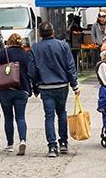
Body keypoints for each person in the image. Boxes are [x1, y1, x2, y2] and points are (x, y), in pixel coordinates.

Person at [31, 22, 80, 157]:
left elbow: (33, 70)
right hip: (62, 85)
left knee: (49, 116)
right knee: (62, 113)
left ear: (40, 34)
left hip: (45, 86)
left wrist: (35, 86)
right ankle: (63, 142)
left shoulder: (35, 48)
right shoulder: (63, 45)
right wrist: (74, 84)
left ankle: (52, 146)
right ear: (53, 32)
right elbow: (70, 66)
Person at [0, 32, 36, 155]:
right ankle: (23, 140)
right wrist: (35, 88)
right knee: (20, 117)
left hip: (5, 90)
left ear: (9, 42)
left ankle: (9, 144)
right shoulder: (26, 55)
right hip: (22, 89)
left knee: (8, 118)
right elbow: (32, 73)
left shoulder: (3, 54)